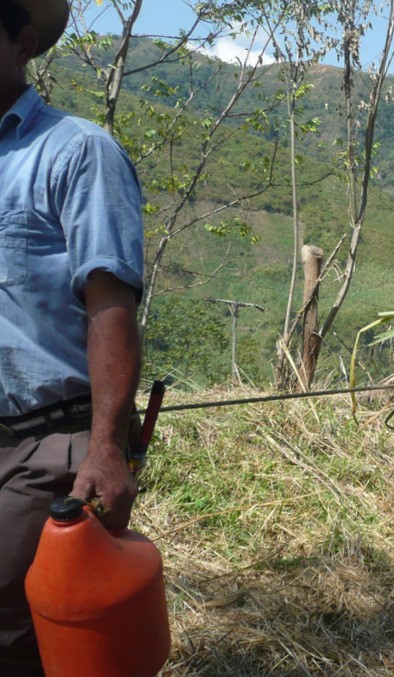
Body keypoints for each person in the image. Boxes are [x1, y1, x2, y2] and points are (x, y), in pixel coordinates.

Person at [0, 1, 145, 674]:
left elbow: (109, 301)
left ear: (23, 41)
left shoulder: (75, 149)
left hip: (49, 441)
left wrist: (108, 445)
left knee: (22, 629)